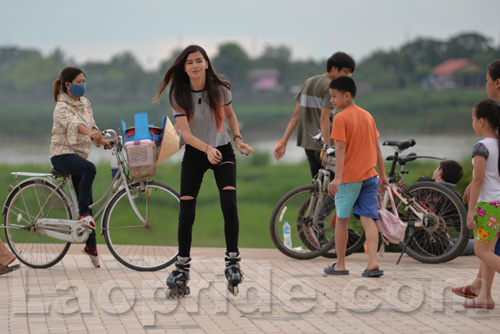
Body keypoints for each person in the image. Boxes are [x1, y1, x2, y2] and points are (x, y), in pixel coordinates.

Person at [153, 45, 254, 298]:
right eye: (189, 62)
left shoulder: (221, 89)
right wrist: (206, 148)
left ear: (207, 63)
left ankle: (232, 262)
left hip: (222, 150)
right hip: (196, 153)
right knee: (186, 209)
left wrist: (238, 139)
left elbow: (230, 115)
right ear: (184, 67)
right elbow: (185, 135)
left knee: (229, 204)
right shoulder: (178, 93)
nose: (195, 66)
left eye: (199, 61)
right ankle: (182, 268)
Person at [323, 76, 389, 277]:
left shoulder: (341, 118)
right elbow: (376, 147)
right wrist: (383, 175)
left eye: (334, 96)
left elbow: (340, 148)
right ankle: (372, 262)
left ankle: (341, 264)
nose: (332, 101)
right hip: (371, 176)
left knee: (342, 220)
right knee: (369, 219)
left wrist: (338, 177)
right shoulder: (367, 116)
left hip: (349, 179)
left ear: (347, 95)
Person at [50, 66, 114, 268]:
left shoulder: (85, 103)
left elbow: (91, 125)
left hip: (78, 156)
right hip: (62, 155)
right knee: (90, 169)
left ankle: (91, 247)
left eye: (84, 81)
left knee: (87, 201)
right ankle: (82, 215)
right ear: (68, 85)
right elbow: (75, 126)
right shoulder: (61, 106)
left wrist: (103, 140)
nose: (83, 85)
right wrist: (89, 132)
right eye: (79, 82)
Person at [452, 60, 500, 304]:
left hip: (486, 205)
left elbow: (480, 178)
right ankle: (485, 296)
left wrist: (471, 211)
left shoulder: (481, 147)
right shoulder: (498, 144)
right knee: (489, 250)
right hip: (498, 203)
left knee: (482, 251)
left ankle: (483, 293)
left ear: (481, 121)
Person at [273, 52, 355, 178]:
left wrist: (283, 142)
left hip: (309, 143)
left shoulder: (308, 81)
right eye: (346, 72)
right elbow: (324, 118)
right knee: (340, 184)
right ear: (334, 68)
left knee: (318, 187)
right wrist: (327, 149)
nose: (348, 76)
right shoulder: (331, 86)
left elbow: (296, 116)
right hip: (326, 144)